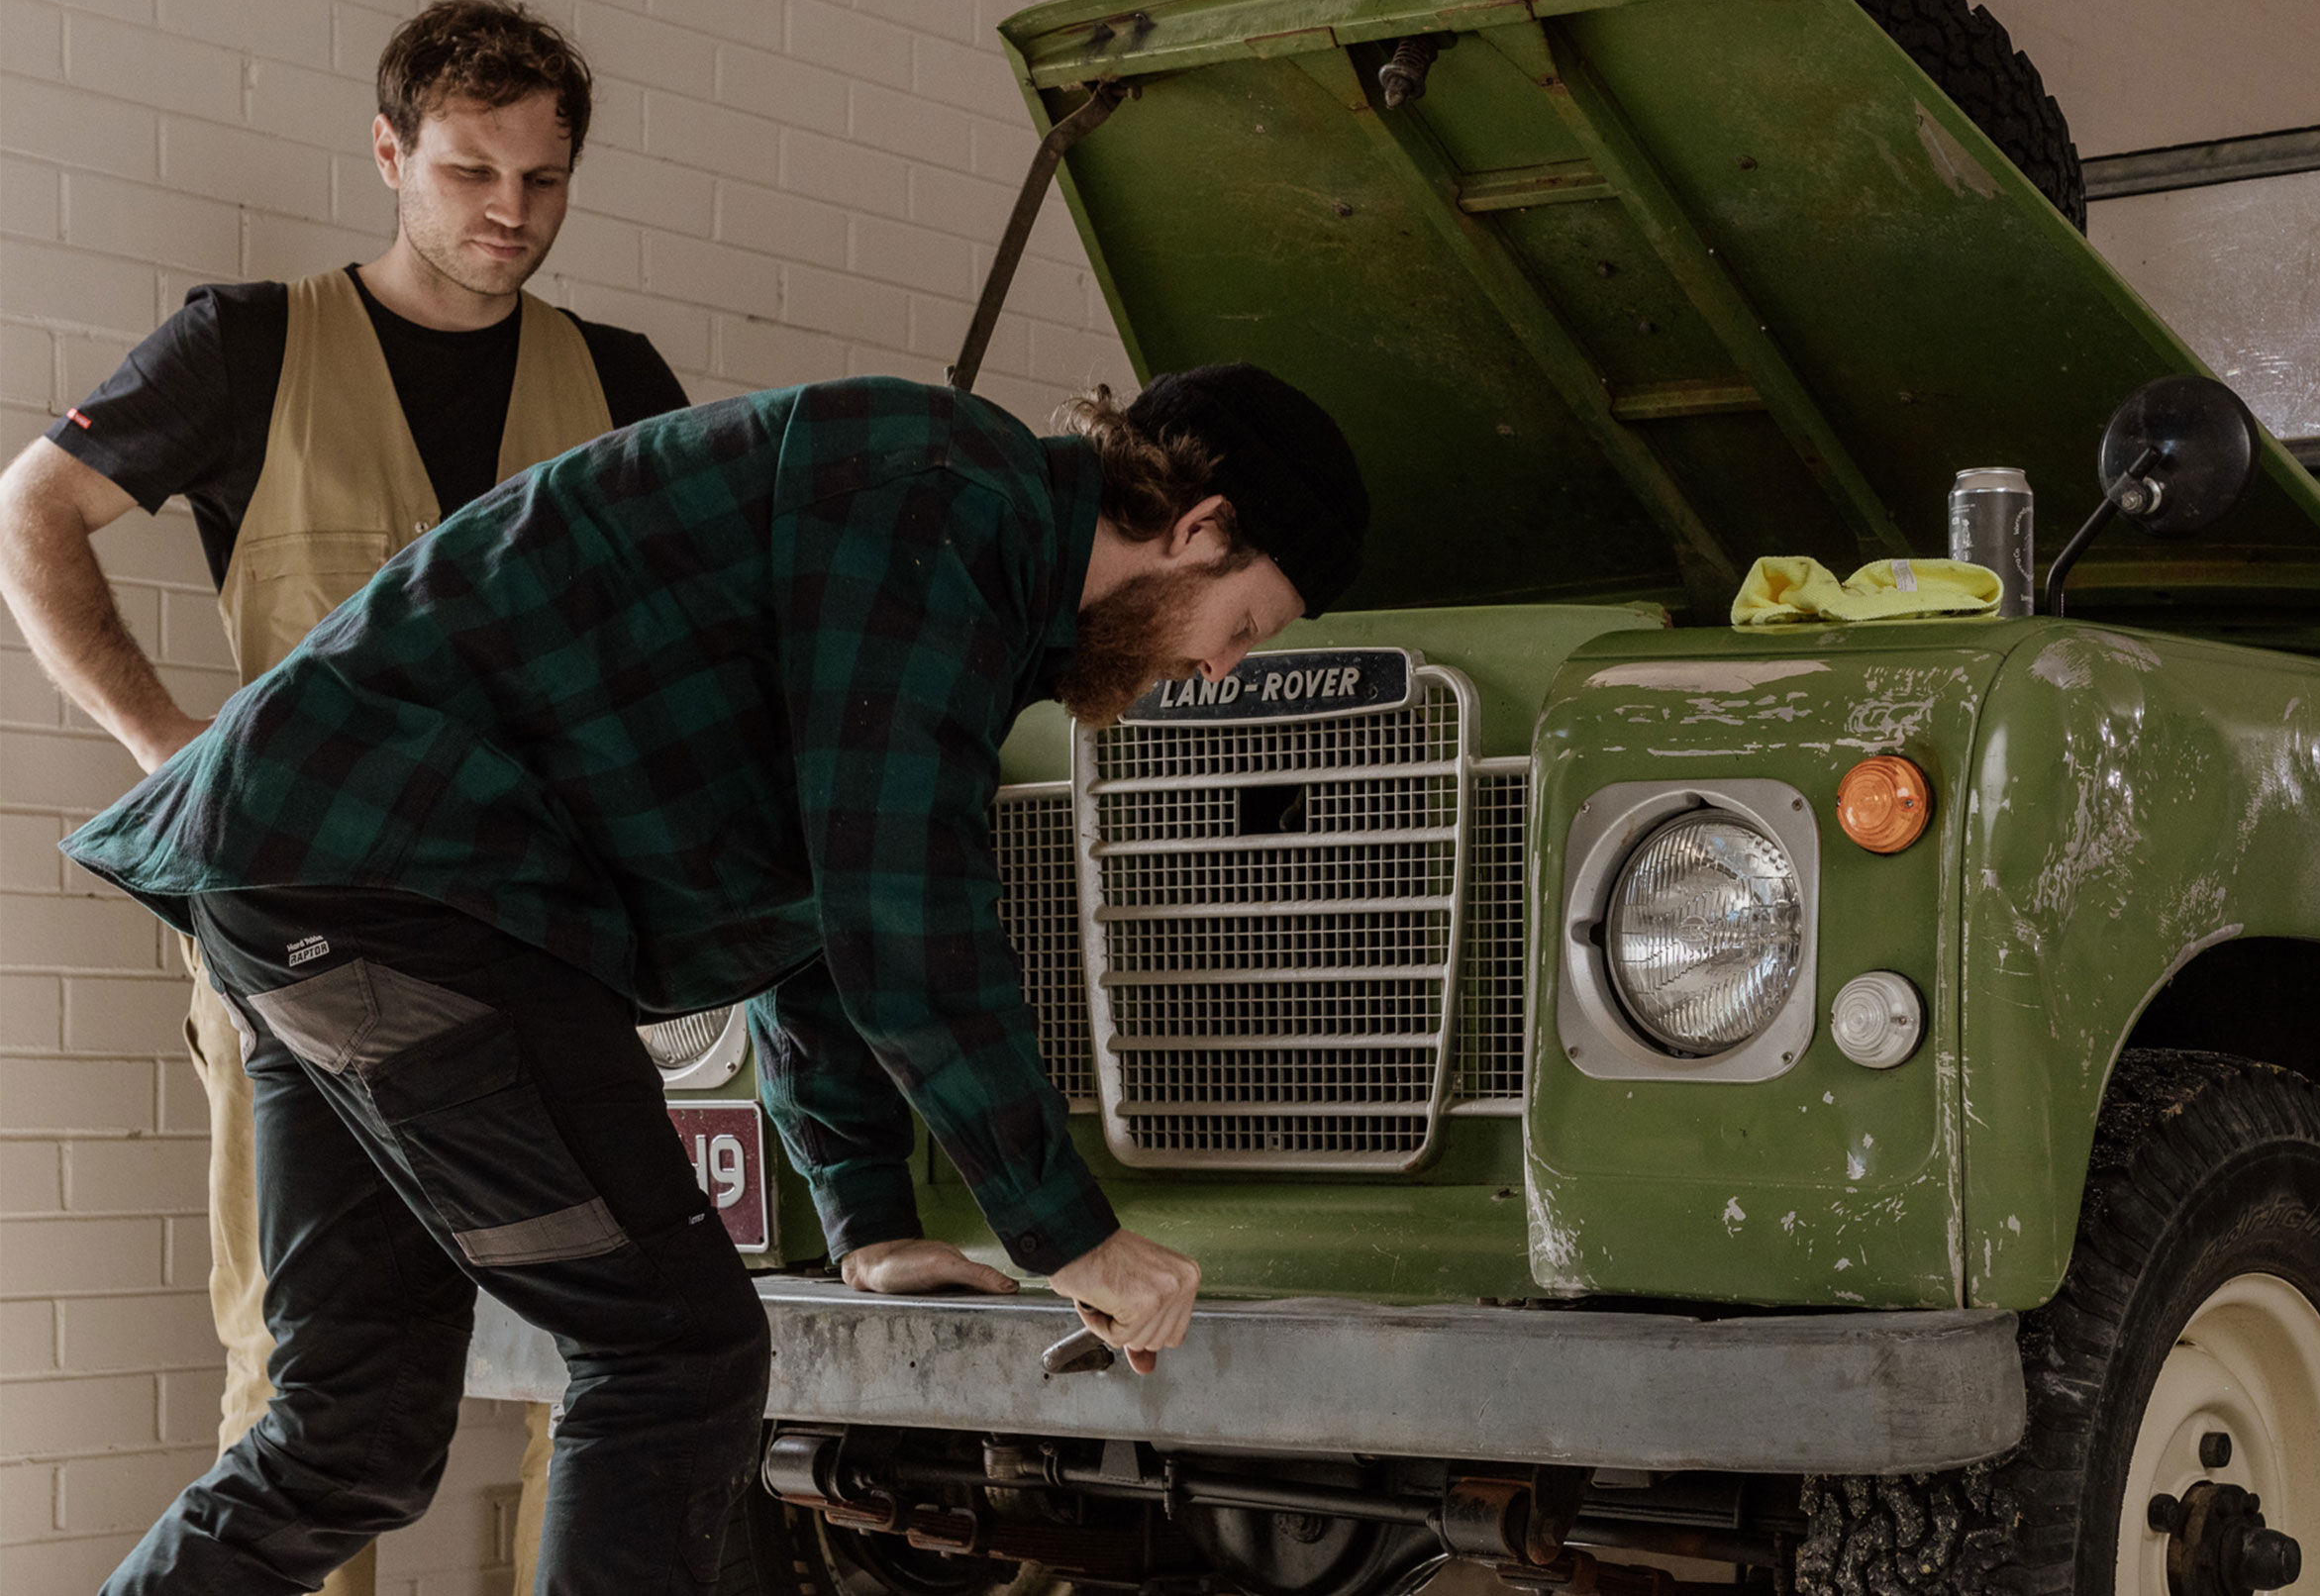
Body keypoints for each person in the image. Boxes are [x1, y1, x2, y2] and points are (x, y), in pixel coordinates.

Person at [59, 361, 1372, 1594]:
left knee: (352, 1428)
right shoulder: (949, 498)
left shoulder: (964, 553)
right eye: (1244, 624)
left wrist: (865, 1222)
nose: (1215, 671)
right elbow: (901, 914)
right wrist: (1072, 1234)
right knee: (675, 1355)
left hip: (294, 868)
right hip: (415, 882)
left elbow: (803, 903)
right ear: (1199, 528)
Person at [0, 0, 686, 1596]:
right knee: (316, 1387)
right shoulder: (249, 344)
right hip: (310, 962)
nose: (511, 214)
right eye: (470, 173)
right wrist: (172, 749)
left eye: (544, 180)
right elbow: (32, 515)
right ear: (390, 155)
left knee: (579, 1373)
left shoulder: (624, 380)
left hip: (543, 955)